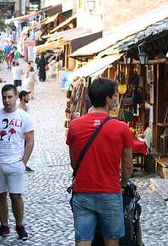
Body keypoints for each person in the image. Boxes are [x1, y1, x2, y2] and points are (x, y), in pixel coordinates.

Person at [66, 78, 133, 245]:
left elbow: (74, 163)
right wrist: (123, 185)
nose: (115, 99)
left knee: (83, 240)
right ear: (108, 99)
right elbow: (127, 166)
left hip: (82, 192)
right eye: (114, 96)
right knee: (111, 241)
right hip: (110, 192)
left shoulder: (74, 126)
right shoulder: (122, 128)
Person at [0, 84, 35, 240]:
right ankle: (4, 226)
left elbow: (30, 142)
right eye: (4, 97)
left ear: (16, 96)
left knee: (16, 196)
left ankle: (20, 226)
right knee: (0, 195)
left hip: (15, 163)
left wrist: (23, 163)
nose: (7, 100)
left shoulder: (25, 117)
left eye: (10, 97)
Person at [18, 90, 34, 173]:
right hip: (20, 133)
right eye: (27, 96)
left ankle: (24, 164)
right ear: (23, 97)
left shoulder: (27, 108)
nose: (29, 98)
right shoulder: (18, 108)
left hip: (26, 132)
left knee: (26, 148)